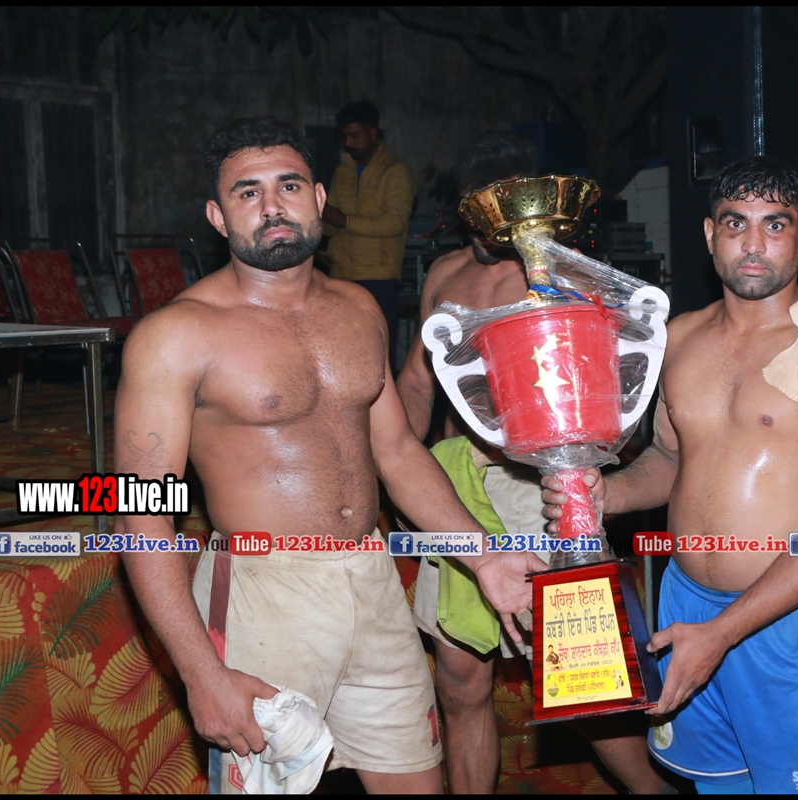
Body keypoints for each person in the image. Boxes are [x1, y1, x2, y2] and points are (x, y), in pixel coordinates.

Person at [115, 117, 542, 795]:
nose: (271, 206)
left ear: (318, 199)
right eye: (247, 192)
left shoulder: (358, 310)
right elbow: (139, 515)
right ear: (217, 217)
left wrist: (483, 555)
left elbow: (396, 451)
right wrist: (201, 674)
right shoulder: (175, 335)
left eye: (288, 186)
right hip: (262, 593)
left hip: (371, 579)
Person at [544, 156, 798, 793]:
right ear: (710, 234)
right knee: (716, 786)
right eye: (736, 224)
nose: (753, 244)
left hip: (784, 622)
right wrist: (605, 494)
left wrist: (721, 634)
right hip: (683, 604)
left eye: (774, 225)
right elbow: (670, 460)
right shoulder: (679, 337)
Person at [396, 130, 669, 794]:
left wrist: (583, 485)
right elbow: (417, 382)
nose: (493, 218)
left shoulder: (564, 272)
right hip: (457, 482)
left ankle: (653, 789)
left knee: (582, 675)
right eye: (480, 205)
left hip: (543, 488)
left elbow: (611, 380)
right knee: (459, 680)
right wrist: (402, 471)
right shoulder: (444, 277)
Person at [322, 101, 416, 371]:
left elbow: (395, 223)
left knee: (377, 356)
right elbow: (332, 225)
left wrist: (345, 220)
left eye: (355, 135)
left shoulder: (395, 171)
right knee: (341, 355)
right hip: (341, 274)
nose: (348, 143)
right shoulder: (343, 171)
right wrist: (319, 221)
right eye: (344, 137)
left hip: (378, 276)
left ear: (373, 133)